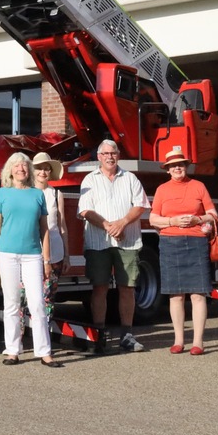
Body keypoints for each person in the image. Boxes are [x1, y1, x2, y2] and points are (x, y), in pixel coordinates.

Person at [77, 139, 150, 355]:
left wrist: (122, 223)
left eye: (114, 153)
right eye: (105, 153)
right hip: (98, 243)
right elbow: (85, 211)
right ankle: (99, 334)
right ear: (98, 157)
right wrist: (108, 225)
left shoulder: (130, 178)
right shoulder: (89, 180)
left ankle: (127, 335)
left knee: (126, 288)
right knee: (99, 287)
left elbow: (140, 206)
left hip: (127, 242)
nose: (110, 157)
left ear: (118, 155)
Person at [0, 152, 61, 368]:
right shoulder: (2, 193)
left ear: (29, 170)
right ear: (10, 170)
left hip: (32, 255)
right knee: (11, 303)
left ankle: (44, 352)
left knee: (37, 302)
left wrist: (47, 261)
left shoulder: (37, 195)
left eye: (24, 166)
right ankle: (12, 350)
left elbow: (44, 230)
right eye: (16, 166)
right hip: (7, 254)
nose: (21, 169)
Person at [150, 145, 218, 355]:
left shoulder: (199, 186)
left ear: (186, 167)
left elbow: (212, 214)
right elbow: (153, 218)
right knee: (175, 295)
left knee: (198, 294)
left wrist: (198, 219)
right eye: (173, 166)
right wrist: (173, 220)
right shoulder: (162, 189)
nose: (177, 168)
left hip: (196, 242)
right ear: (167, 170)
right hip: (170, 242)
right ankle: (178, 340)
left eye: (180, 164)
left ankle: (198, 342)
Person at [24, 151, 68, 331]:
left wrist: (67, 256)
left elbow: (62, 225)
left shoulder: (56, 194)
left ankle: (44, 335)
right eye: (39, 168)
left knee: (48, 296)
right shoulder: (26, 193)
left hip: (55, 252)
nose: (43, 172)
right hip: (29, 252)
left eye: (46, 169)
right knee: (26, 297)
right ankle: (25, 336)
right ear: (32, 171)